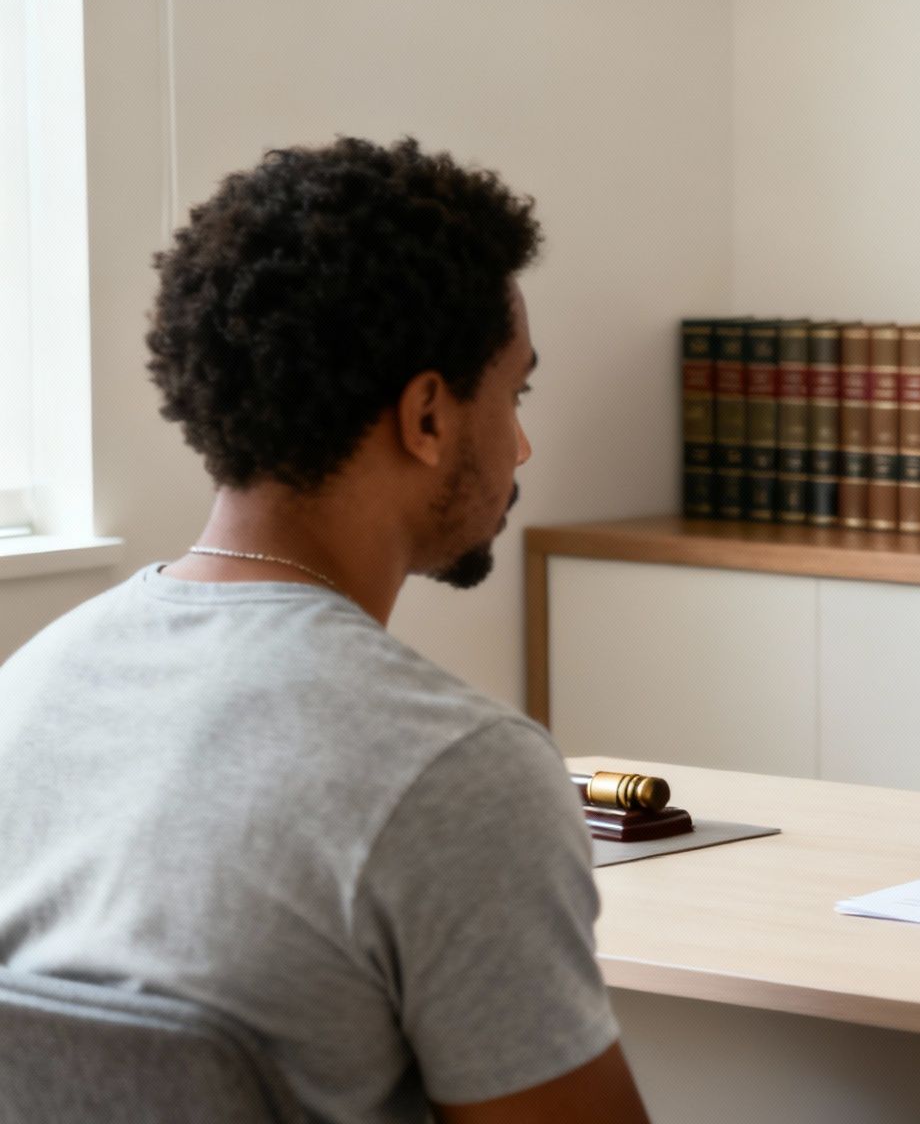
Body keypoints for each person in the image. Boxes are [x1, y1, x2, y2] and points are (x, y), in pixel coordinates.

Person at [0, 137, 649, 1122]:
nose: (519, 444)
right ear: (427, 416)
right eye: (510, 394)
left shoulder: (31, 687)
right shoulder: (457, 771)